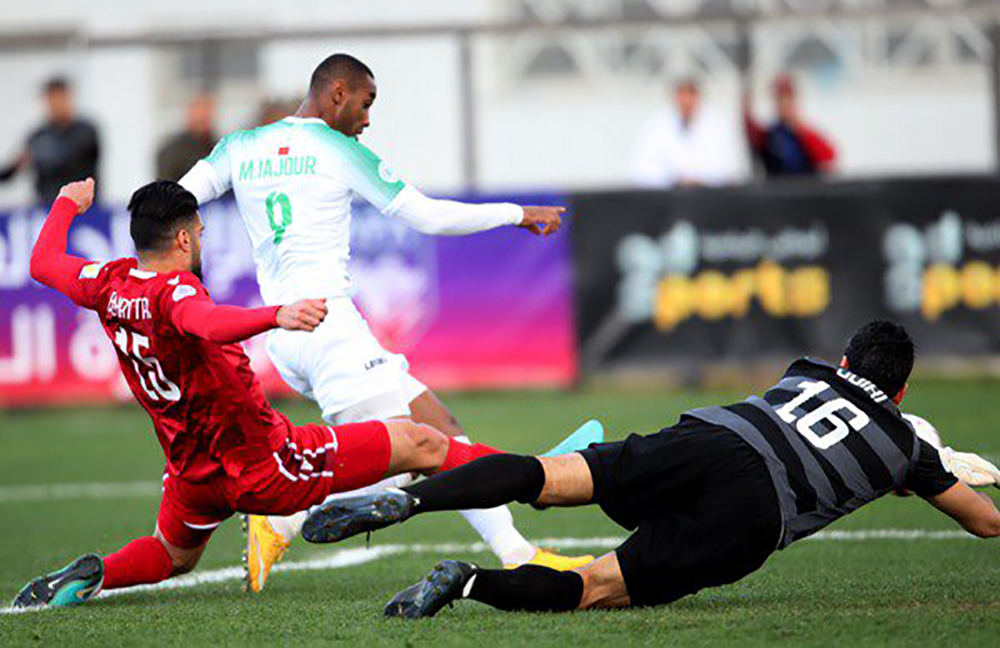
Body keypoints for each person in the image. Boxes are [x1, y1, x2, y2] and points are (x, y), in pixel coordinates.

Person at [11, 177, 540, 610]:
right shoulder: (176, 291)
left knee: (172, 556)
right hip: (263, 462)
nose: (201, 242)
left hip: (191, 471)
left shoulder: (109, 281)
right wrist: (276, 315)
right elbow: (207, 322)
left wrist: (64, 204)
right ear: (183, 240)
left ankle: (96, 573)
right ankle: (537, 475)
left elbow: (42, 263)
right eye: (199, 232)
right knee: (419, 443)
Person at [179, 52, 589, 592]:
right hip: (328, 327)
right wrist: (516, 213)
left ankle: (518, 553)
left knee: (439, 427)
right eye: (367, 104)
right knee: (401, 459)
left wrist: (178, 264)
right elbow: (426, 215)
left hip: (285, 329)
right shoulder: (338, 149)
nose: (368, 119)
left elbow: (177, 199)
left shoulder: (240, 147)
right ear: (338, 93)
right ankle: (284, 515)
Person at [302, 321, 1000, 618]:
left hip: (714, 434)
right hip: (754, 509)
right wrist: (920, 470)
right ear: (903, 392)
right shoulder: (905, 446)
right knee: (595, 587)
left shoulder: (808, 371)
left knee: (547, 476)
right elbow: (986, 523)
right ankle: (467, 583)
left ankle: (414, 501)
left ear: (844, 362)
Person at [0, 77, 100, 206]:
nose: (55, 105)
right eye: (51, 99)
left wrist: (38, 154)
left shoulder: (86, 131)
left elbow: (70, 162)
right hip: (47, 207)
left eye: (59, 98)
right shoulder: (38, 135)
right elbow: (12, 170)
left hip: (82, 208)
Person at [630, 78, 743, 188]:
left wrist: (698, 180)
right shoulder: (656, 126)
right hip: (667, 198)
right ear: (674, 97)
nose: (686, 101)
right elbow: (643, 169)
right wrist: (676, 180)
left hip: (709, 197)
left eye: (691, 94)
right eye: (681, 94)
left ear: (699, 97)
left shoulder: (718, 126)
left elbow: (729, 168)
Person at [744, 74, 836, 177]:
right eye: (780, 101)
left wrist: (800, 130)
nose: (784, 106)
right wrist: (747, 105)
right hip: (779, 189)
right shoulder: (769, 135)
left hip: (804, 188)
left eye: (788, 101)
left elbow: (828, 157)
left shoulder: (805, 133)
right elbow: (752, 135)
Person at [156, 93, 218, 181]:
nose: (202, 115)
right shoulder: (172, 152)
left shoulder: (218, 148)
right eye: (198, 109)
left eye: (207, 109)